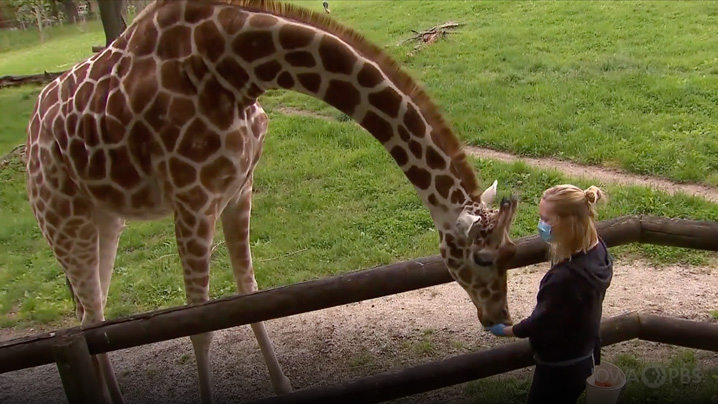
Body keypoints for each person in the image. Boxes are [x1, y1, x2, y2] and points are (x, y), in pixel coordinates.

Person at [485, 184, 614, 404]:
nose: (541, 225)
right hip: (587, 354)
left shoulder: (563, 278)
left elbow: (540, 322)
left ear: (569, 222)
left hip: (558, 368)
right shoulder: (597, 248)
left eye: (547, 219)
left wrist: (506, 330)